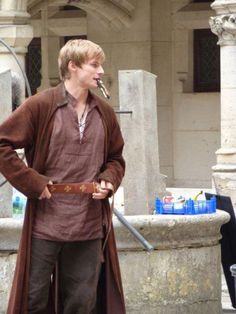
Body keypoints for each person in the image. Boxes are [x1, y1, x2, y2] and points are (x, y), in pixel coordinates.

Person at [0, 39, 126, 314]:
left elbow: (116, 158)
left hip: (89, 222)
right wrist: (32, 182)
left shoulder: (103, 111)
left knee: (82, 303)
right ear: (73, 66)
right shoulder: (41, 105)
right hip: (47, 220)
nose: (101, 71)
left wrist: (109, 179)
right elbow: (2, 144)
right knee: (33, 299)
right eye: (94, 65)